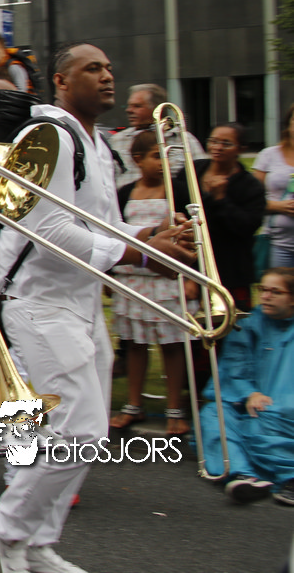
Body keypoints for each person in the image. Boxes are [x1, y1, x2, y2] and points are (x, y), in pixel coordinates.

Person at [0, 44, 196, 573]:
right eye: (92, 68)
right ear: (60, 81)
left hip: (81, 304)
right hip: (39, 300)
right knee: (82, 431)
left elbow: (100, 227)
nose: (106, 76)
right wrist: (140, 253)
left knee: (79, 436)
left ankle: (36, 544)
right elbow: (48, 229)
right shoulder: (50, 135)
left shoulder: (96, 143)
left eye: (109, 67)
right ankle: (2, 534)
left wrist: (152, 236)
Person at [109, 130, 194, 436]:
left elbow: (193, 237)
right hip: (132, 280)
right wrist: (111, 274)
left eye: (166, 157)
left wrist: (192, 277)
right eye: (157, 157)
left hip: (168, 280)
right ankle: (134, 404)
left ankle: (174, 409)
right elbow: (112, 234)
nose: (163, 164)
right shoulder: (124, 192)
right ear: (137, 159)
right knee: (135, 344)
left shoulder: (179, 191)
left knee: (171, 344)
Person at [202, 266, 294, 505]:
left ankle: (290, 476)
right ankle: (244, 475)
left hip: (283, 411)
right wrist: (249, 393)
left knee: (267, 419)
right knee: (213, 414)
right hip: (252, 404)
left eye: (275, 292)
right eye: (263, 289)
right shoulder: (249, 323)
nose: (265, 296)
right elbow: (234, 368)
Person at [185, 123, 265, 310]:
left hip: (232, 268)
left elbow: (247, 226)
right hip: (192, 263)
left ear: (241, 149)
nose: (217, 147)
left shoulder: (250, 185)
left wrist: (221, 199)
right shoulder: (192, 171)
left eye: (226, 144)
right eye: (213, 141)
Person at [108, 84, 205, 189]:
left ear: (156, 109)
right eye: (129, 105)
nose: (129, 110)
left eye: (137, 106)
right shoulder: (118, 139)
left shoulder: (184, 139)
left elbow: (202, 175)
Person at [253, 104, 294, 268]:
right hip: (278, 243)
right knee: (278, 282)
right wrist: (278, 206)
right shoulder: (269, 155)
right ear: (288, 124)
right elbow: (250, 200)